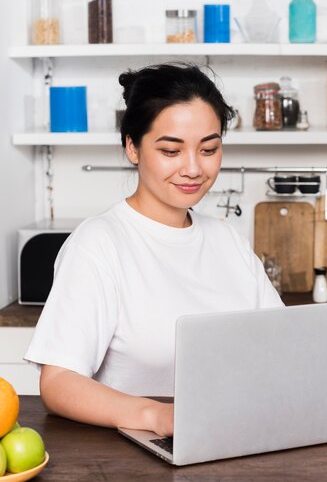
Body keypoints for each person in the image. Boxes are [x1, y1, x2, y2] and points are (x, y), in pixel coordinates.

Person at [24, 63, 283, 435]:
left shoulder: (229, 241)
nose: (193, 168)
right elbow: (58, 382)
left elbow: (282, 349)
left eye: (208, 149)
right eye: (171, 151)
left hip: (233, 437)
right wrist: (157, 417)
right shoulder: (98, 243)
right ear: (132, 147)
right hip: (135, 454)